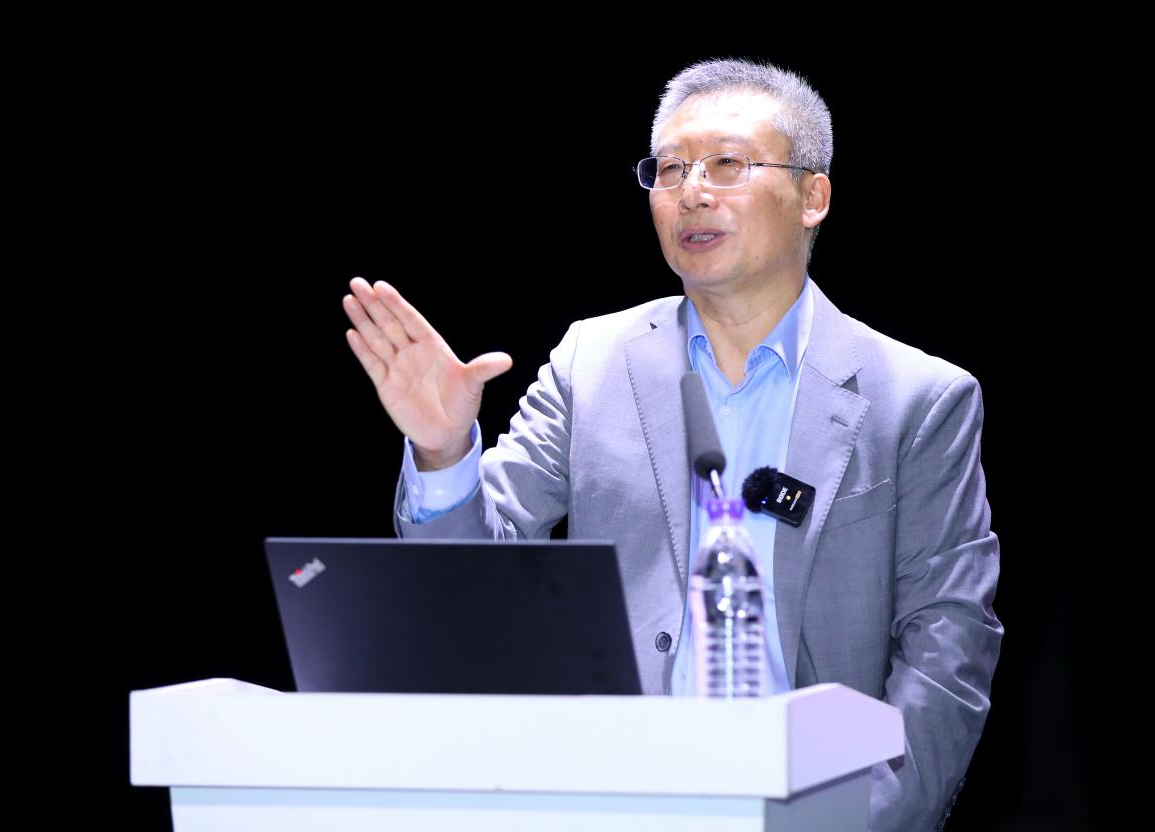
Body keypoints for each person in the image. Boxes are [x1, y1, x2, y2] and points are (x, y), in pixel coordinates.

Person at [341, 58, 1002, 832]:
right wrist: (445, 450)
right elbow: (471, 588)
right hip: (612, 803)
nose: (692, 192)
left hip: (818, 808)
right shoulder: (593, 362)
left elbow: (947, 643)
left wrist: (865, 821)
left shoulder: (917, 398)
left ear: (812, 196)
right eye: (670, 169)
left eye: (727, 164)